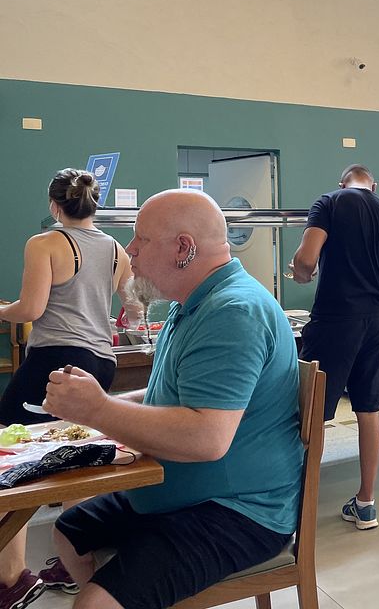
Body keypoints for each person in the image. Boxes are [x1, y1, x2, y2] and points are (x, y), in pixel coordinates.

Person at [43, 189, 302, 609]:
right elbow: (170, 395)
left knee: (94, 603)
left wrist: (99, 409)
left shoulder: (232, 312)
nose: (130, 250)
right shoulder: (193, 305)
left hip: (239, 510)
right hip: (179, 491)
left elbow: (205, 438)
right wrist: (96, 406)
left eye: (141, 239)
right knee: (68, 532)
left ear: (184, 248)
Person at [0, 169, 134, 606]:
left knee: (10, 452)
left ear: (54, 206)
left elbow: (30, 309)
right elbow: (132, 306)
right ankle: (72, 558)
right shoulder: (116, 249)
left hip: (55, 360)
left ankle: (11, 579)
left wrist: (1, 309)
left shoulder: (44, 243)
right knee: (76, 454)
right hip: (101, 362)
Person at [290, 164, 379, 530]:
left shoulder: (329, 202)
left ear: (342, 183)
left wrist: (301, 274)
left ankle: (298, 508)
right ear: (374, 186)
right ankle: (366, 503)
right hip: (376, 321)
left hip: (334, 319)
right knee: (368, 408)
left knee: (312, 414)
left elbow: (306, 259)